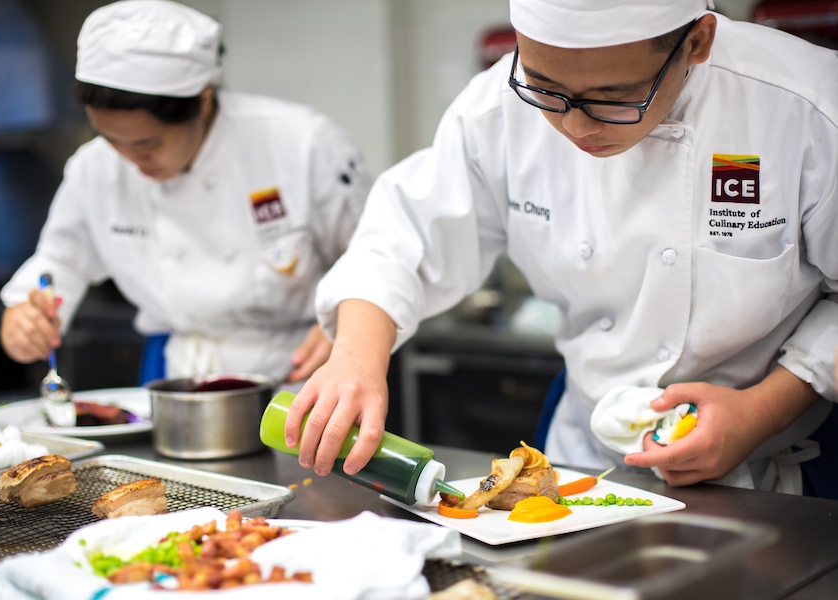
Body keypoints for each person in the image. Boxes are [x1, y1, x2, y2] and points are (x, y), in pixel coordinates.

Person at [285, 0, 838, 498]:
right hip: (583, 462)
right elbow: (403, 237)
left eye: (614, 97)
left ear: (697, 42)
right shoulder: (496, 109)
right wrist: (356, 355)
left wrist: (762, 411)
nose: (573, 125)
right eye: (545, 89)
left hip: (776, 469)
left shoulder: (806, 107)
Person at [0, 0, 373, 387]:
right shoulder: (94, 167)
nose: (129, 159)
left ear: (203, 100)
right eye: (110, 139)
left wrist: (347, 331)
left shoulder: (303, 145)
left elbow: (375, 258)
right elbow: (60, 263)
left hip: (303, 376)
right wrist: (23, 316)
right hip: (174, 380)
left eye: (148, 143)